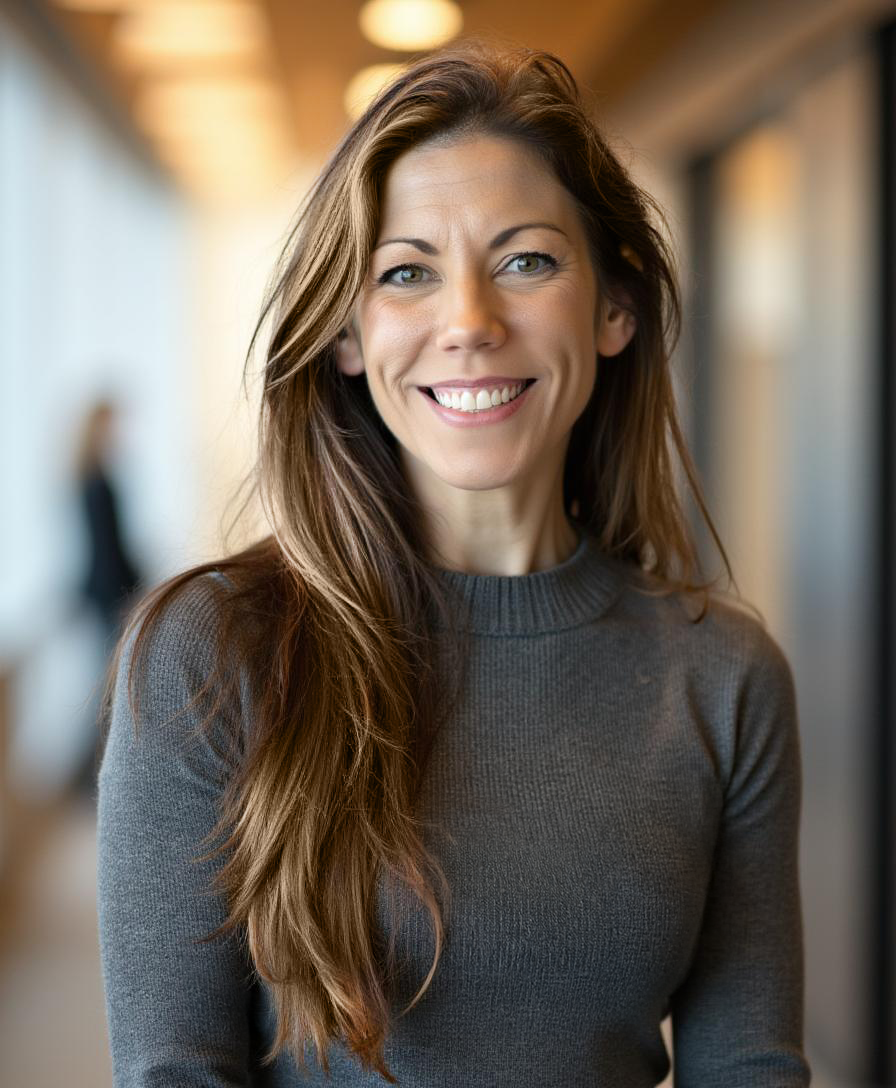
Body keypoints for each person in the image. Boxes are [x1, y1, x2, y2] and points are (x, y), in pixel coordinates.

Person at [96, 42, 811, 1087]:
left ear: (613, 308)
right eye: (406, 272)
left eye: (525, 260)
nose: (469, 322)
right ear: (347, 334)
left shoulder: (722, 676)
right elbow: (174, 1069)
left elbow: (749, 1064)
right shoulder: (214, 652)